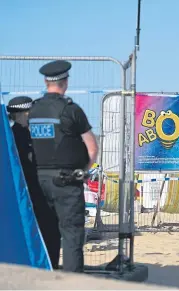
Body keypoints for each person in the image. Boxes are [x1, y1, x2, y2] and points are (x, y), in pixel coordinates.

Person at [28, 60, 98, 273]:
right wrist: (84, 170)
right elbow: (92, 148)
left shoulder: (33, 110)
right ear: (65, 82)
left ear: (45, 81)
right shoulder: (71, 110)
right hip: (67, 181)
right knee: (71, 234)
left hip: (39, 180)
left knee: (46, 231)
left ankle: (46, 276)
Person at [7, 96, 61, 269]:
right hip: (36, 194)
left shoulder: (15, 135)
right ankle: (48, 267)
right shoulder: (20, 136)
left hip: (31, 194)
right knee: (49, 231)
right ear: (24, 113)